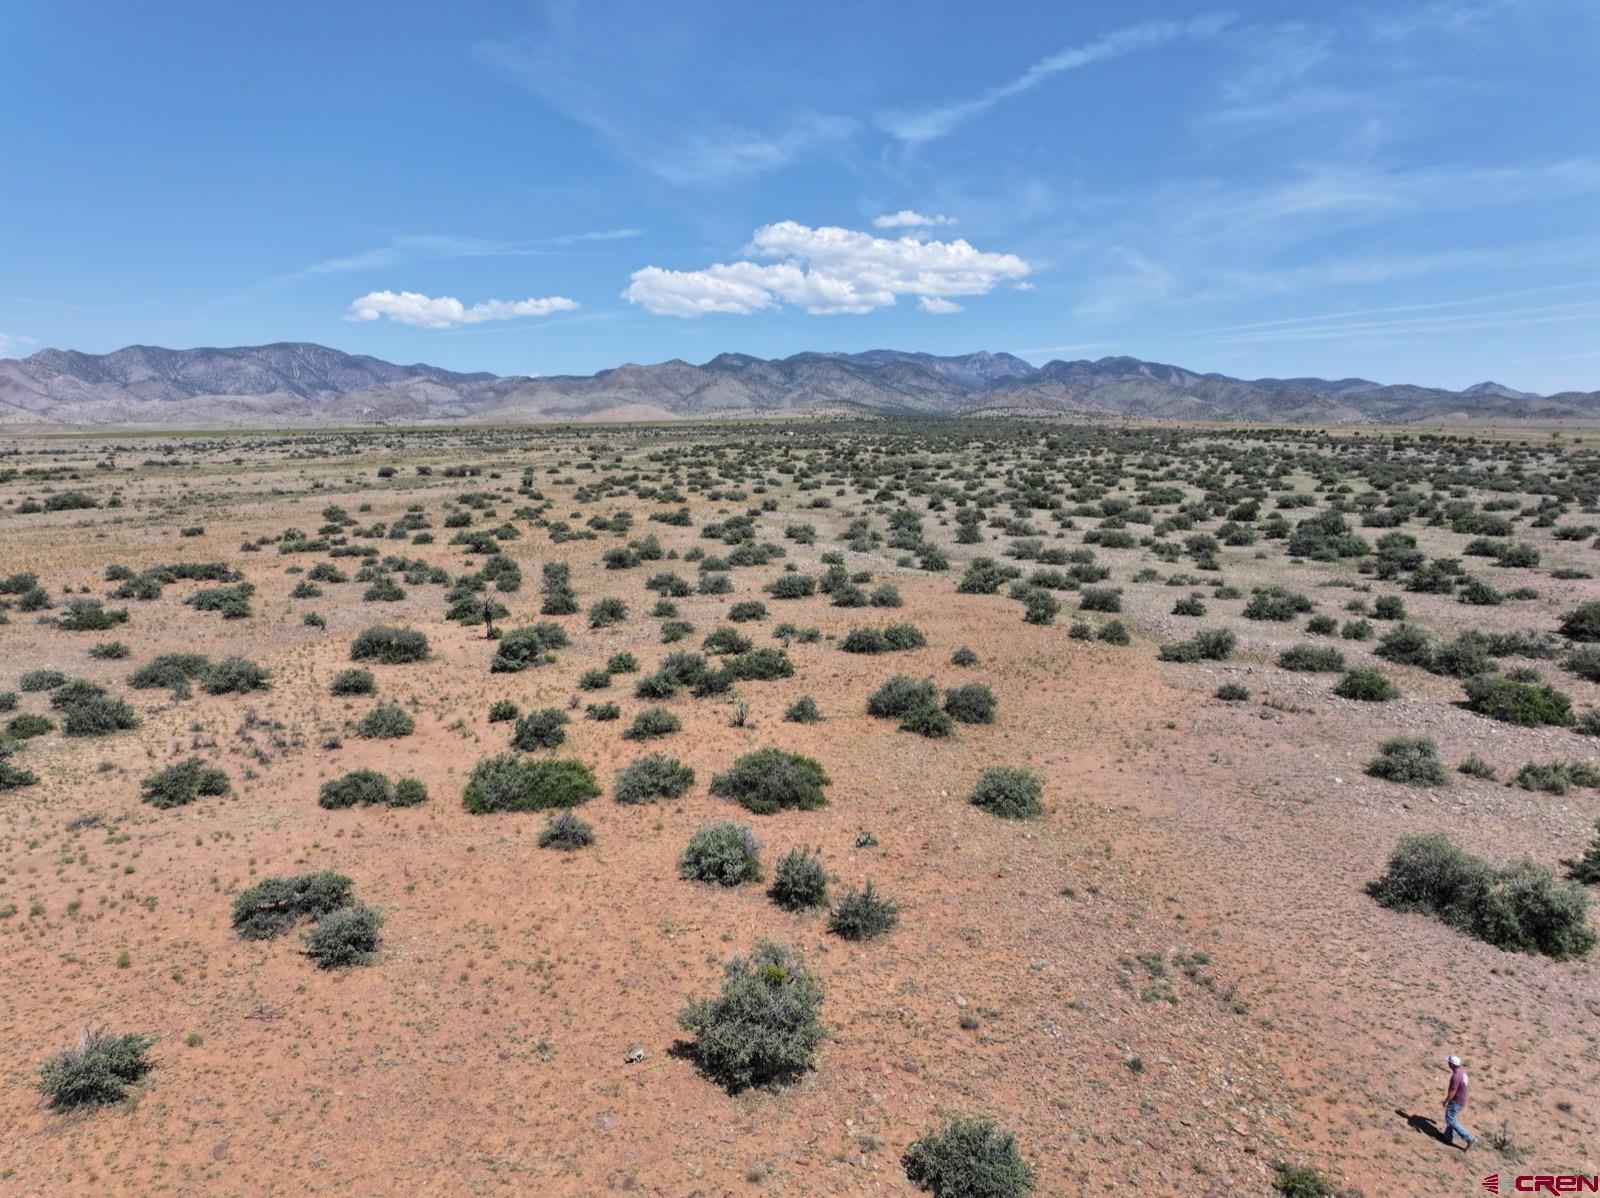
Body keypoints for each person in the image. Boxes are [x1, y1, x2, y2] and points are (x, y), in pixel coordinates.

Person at [1443, 1054, 1475, 1151]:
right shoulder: (1462, 1072)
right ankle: (1447, 1137)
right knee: (1450, 1117)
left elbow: (1452, 1091)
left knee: (1450, 1120)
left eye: (1449, 1062)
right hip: (1462, 1100)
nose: (1448, 1064)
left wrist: (1446, 1101)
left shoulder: (1455, 1077)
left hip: (1456, 1102)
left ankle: (1469, 1138)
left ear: (1452, 1065)